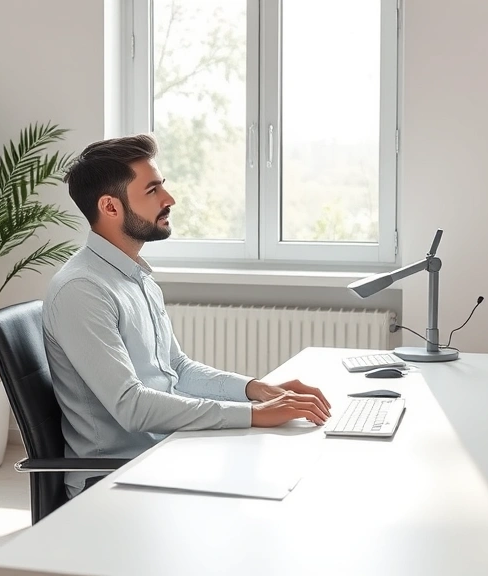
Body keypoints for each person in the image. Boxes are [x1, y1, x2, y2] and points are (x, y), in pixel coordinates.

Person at [43, 133, 331, 498]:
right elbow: (131, 407)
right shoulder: (82, 290)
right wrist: (253, 414)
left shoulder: (135, 277)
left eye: (162, 186)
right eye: (152, 191)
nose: (169, 199)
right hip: (115, 477)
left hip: (166, 450)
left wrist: (254, 390)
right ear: (110, 207)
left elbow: (177, 368)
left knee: (287, 469)